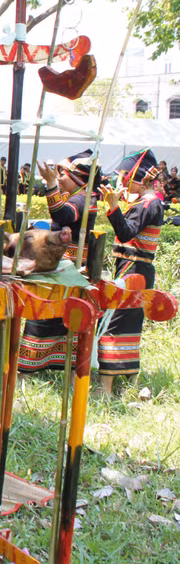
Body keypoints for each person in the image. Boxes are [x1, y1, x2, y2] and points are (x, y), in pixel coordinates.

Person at [17, 150, 100, 374]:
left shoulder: (83, 198)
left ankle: (28, 372)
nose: (60, 177)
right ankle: (44, 370)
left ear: (78, 179)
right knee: (54, 318)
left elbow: (62, 216)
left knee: (44, 315)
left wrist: (52, 184)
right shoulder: (82, 196)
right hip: (63, 270)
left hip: (68, 272)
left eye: (63, 175)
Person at [96, 149, 163, 395]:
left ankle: (105, 388)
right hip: (135, 269)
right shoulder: (147, 202)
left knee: (116, 322)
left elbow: (126, 233)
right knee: (126, 323)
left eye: (125, 175)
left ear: (138, 178)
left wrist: (114, 209)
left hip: (134, 270)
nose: (121, 180)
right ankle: (126, 383)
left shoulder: (148, 204)